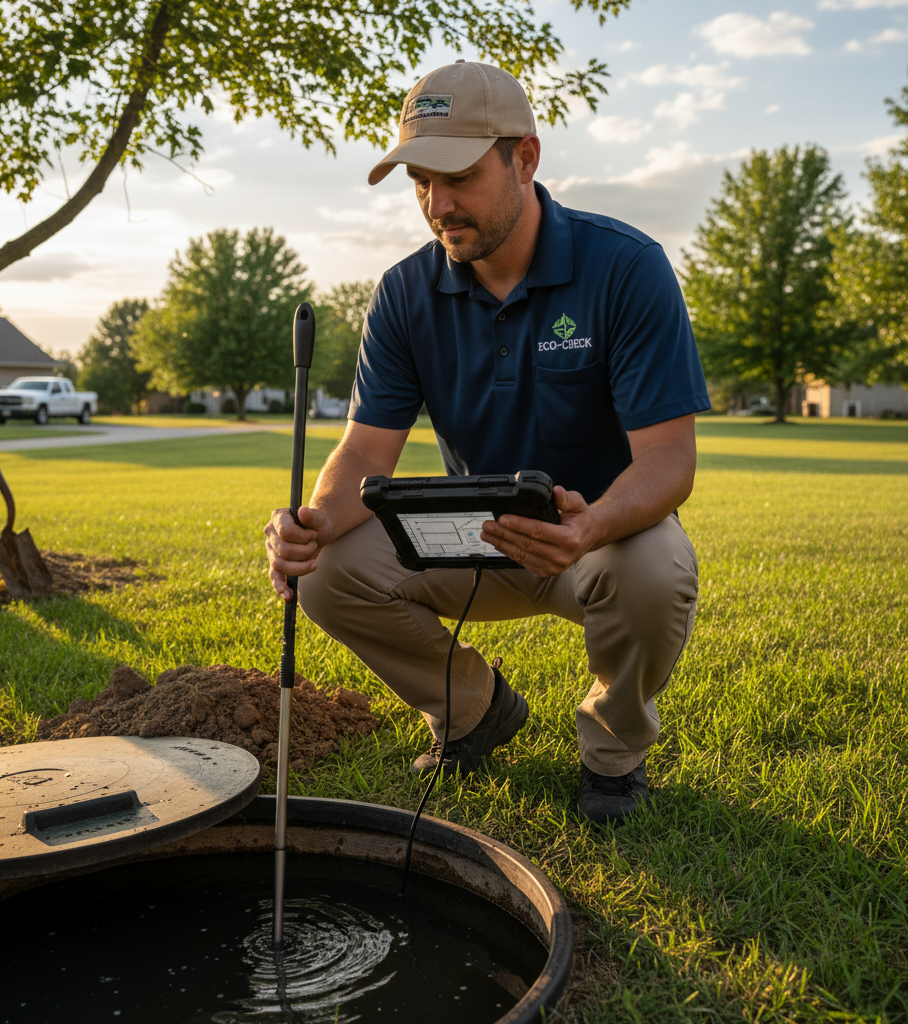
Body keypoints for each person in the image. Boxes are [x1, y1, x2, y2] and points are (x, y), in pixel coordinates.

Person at [264, 60, 710, 825]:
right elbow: (368, 452)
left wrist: (593, 524)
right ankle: (472, 711)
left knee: (659, 567)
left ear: (525, 158)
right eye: (420, 182)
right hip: (474, 538)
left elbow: (669, 458)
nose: (438, 204)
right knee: (329, 569)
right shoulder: (404, 293)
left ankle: (612, 757)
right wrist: (311, 524)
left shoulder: (626, 268)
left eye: (458, 176)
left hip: (601, 541)